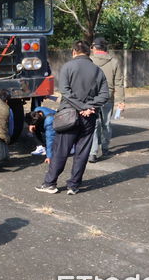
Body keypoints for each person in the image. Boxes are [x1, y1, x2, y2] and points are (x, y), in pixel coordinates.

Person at [35, 41, 109, 195]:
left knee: (61, 150)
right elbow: (104, 95)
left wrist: (81, 106)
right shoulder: (97, 70)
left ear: (74, 52)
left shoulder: (68, 67)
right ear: (89, 52)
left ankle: (50, 183)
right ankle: (73, 185)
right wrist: (89, 106)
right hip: (89, 118)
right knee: (82, 152)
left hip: (68, 115)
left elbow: (65, 92)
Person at [88, 36, 125, 163]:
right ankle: (105, 148)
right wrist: (121, 100)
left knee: (93, 124)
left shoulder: (89, 61)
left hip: (91, 97)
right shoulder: (114, 62)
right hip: (108, 97)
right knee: (106, 123)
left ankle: (92, 153)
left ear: (94, 48)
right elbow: (119, 83)